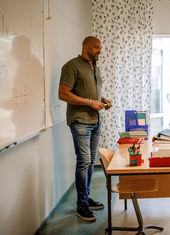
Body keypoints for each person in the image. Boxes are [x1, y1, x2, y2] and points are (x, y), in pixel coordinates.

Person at [59, 36, 112, 222]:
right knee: (83, 162)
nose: (99, 50)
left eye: (100, 48)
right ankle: (81, 205)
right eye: (96, 47)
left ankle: (86, 198)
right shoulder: (71, 66)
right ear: (85, 46)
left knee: (90, 162)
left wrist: (102, 100)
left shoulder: (94, 67)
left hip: (96, 121)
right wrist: (91, 102)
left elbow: (89, 91)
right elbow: (63, 94)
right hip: (80, 121)